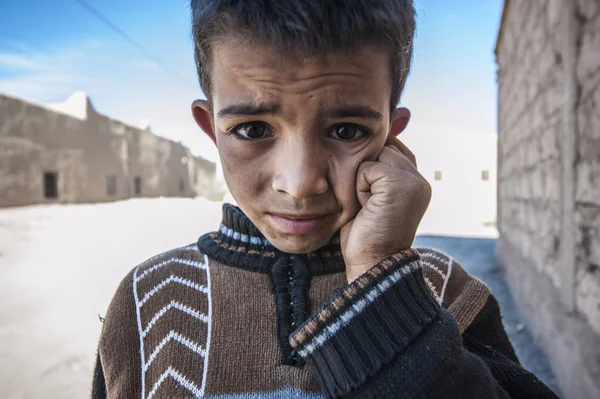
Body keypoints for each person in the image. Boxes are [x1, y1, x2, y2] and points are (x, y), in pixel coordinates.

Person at [91, 1, 559, 398]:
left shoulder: (443, 291)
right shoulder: (150, 300)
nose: (299, 183)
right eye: (253, 130)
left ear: (391, 137)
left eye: (348, 131)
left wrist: (381, 280)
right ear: (211, 128)